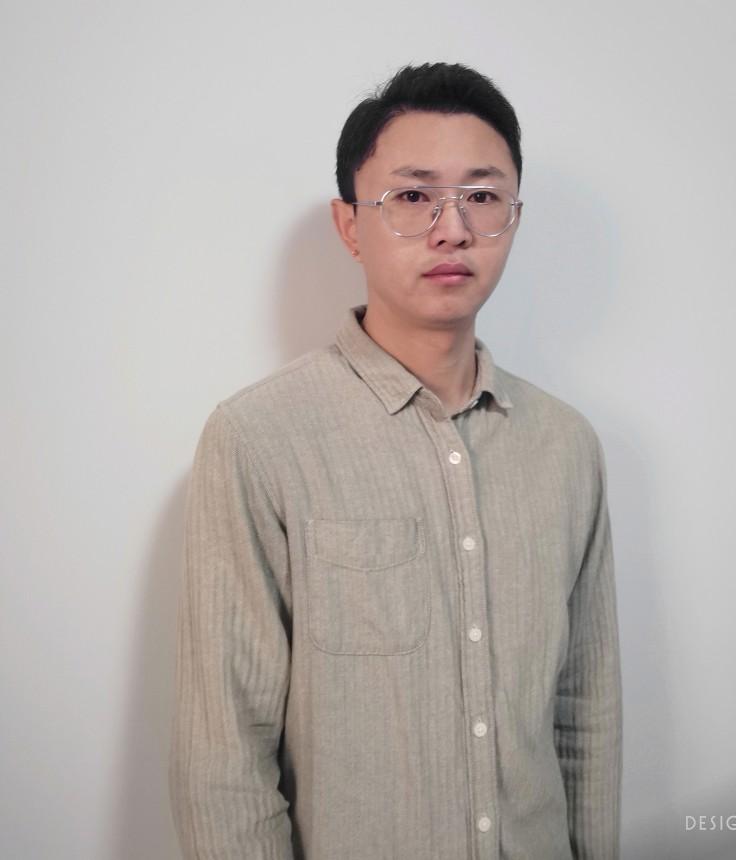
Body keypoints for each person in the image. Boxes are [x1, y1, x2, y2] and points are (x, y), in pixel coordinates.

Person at [169, 61, 622, 860]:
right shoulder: (260, 438)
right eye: (413, 197)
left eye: (482, 197)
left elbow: (584, 717)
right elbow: (225, 757)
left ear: (514, 217)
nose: (453, 229)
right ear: (350, 225)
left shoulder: (565, 446)